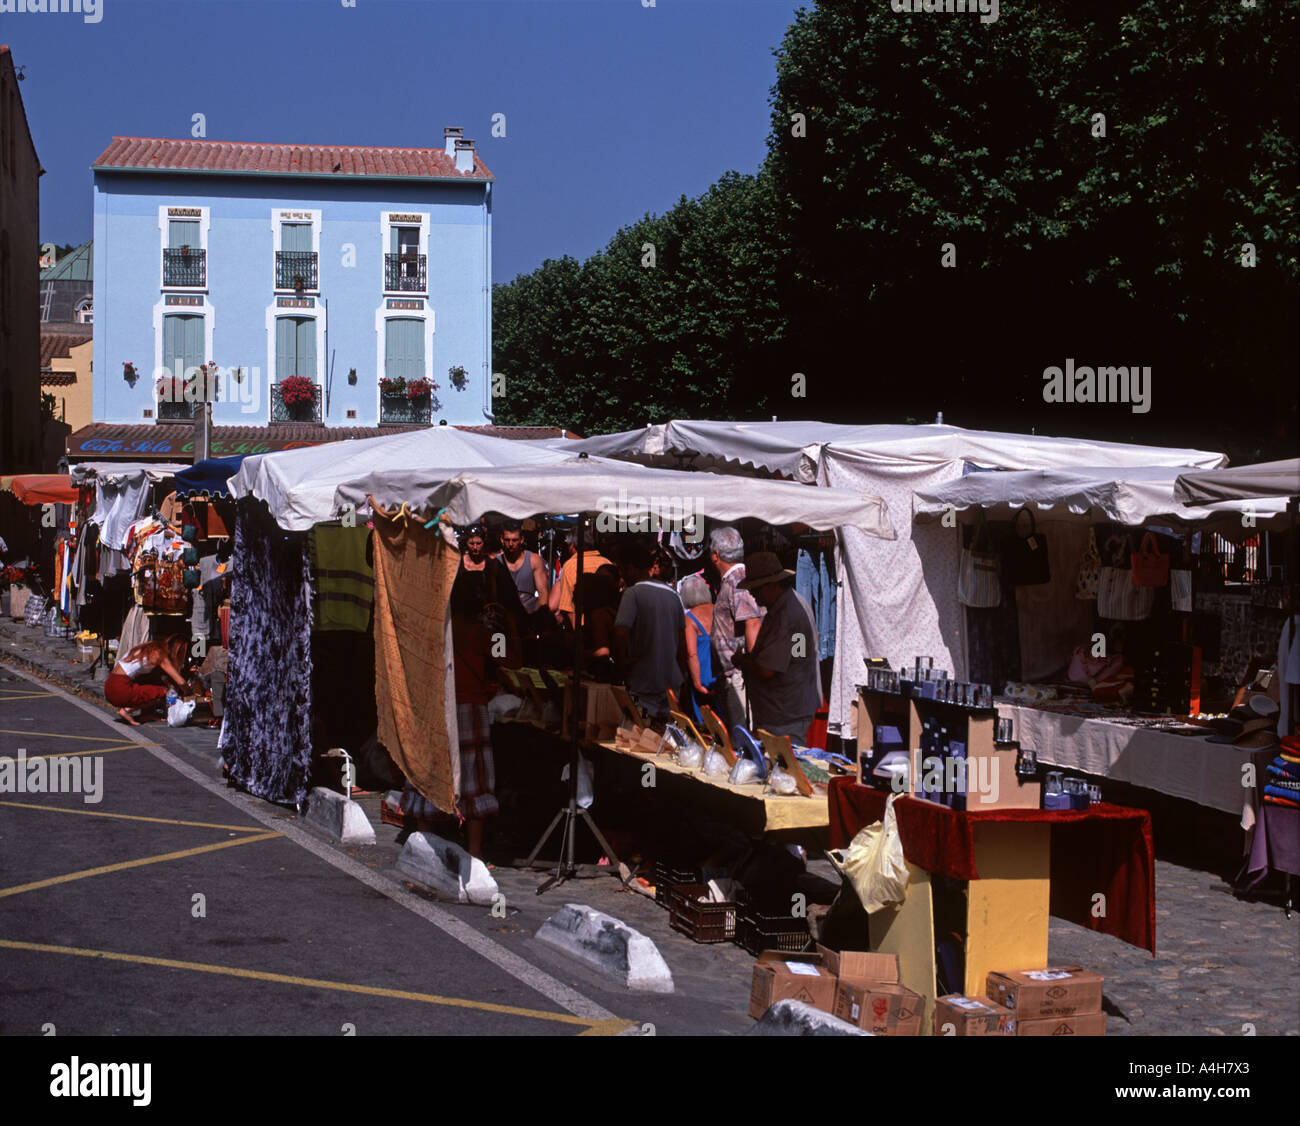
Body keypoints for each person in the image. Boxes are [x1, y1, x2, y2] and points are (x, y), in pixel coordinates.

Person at [731, 551, 822, 741]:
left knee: (783, 767)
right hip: (790, 707)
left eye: (756, 590)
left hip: (784, 713)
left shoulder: (785, 616)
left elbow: (767, 670)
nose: (753, 596)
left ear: (773, 585)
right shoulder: (795, 603)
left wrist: (743, 661)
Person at [613, 543, 688, 722]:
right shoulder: (673, 595)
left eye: (622, 570)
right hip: (671, 683)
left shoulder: (632, 594)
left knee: (640, 736)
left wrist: (621, 664)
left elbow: (620, 633)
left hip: (644, 682)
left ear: (630, 568)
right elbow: (681, 643)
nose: (621, 576)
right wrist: (682, 675)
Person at [708, 526, 764, 727]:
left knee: (742, 737)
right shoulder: (734, 579)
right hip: (734, 674)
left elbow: (752, 622)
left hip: (739, 676)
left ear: (716, 555)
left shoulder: (738, 580)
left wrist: (751, 665)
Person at [105, 635, 190, 725]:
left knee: (152, 683)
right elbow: (180, 681)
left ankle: (146, 715)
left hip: (110, 685)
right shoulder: (159, 654)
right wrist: (189, 693)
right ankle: (127, 710)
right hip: (120, 689)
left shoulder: (149, 647)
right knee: (165, 691)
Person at [548, 523, 612, 630]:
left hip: (583, 628)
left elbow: (569, 607)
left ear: (572, 546)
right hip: (606, 628)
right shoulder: (607, 563)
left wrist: (578, 635)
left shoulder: (570, 566)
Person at [679, 573, 718, 725]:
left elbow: (691, 653)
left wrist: (696, 683)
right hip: (720, 675)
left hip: (702, 676)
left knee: (704, 725)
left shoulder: (689, 618)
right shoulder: (719, 610)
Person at [495, 520, 550, 623]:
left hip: (529, 614)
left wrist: (542, 618)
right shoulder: (496, 562)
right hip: (504, 616)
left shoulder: (534, 560)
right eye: (507, 540)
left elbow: (543, 592)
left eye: (514, 540)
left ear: (521, 539)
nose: (510, 544)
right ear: (502, 539)